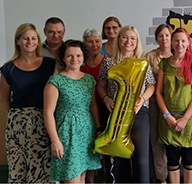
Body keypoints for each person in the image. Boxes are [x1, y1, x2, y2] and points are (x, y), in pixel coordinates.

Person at [97, 25, 155, 183]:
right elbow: (100, 85)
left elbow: (151, 86)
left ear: (137, 42)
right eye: (124, 37)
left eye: (132, 38)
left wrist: (142, 99)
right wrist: (106, 99)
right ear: (118, 40)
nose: (128, 41)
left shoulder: (143, 63)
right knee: (117, 158)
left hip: (138, 113)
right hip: (115, 113)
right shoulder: (108, 63)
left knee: (141, 158)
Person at [0, 23, 56, 183]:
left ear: (38, 41)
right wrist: (21, 115)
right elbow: (4, 98)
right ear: (18, 41)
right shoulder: (8, 69)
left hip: (43, 121)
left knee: (42, 168)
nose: (29, 42)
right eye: (25, 38)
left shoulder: (49, 65)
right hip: (17, 124)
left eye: (33, 38)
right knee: (18, 167)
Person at [44, 40, 102, 183]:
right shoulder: (55, 81)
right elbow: (48, 113)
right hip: (67, 133)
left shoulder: (88, 79)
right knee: (72, 177)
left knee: (83, 176)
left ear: (83, 57)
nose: (74, 59)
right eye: (69, 56)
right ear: (63, 58)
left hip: (87, 131)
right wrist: (55, 140)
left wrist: (99, 128)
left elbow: (93, 105)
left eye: (78, 55)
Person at [155, 28, 192, 184]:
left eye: (183, 40)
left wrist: (184, 119)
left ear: (188, 43)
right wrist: (167, 116)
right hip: (169, 120)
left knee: (189, 158)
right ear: (171, 43)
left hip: (188, 121)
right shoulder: (164, 64)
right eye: (176, 40)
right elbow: (158, 93)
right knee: (172, 158)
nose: (180, 44)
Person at [145, 24, 173, 184]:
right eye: (161, 36)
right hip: (155, 106)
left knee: (174, 142)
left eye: (167, 35)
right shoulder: (150, 57)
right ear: (156, 38)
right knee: (157, 143)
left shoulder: (179, 55)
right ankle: (162, 178)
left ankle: (176, 176)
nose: (164, 39)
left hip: (175, 106)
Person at [80, 29, 106, 183]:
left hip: (105, 108)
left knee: (103, 146)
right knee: (89, 147)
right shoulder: (80, 62)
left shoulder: (106, 61)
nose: (94, 45)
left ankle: (106, 178)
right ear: (85, 43)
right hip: (86, 111)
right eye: (90, 41)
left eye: (97, 41)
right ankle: (90, 180)